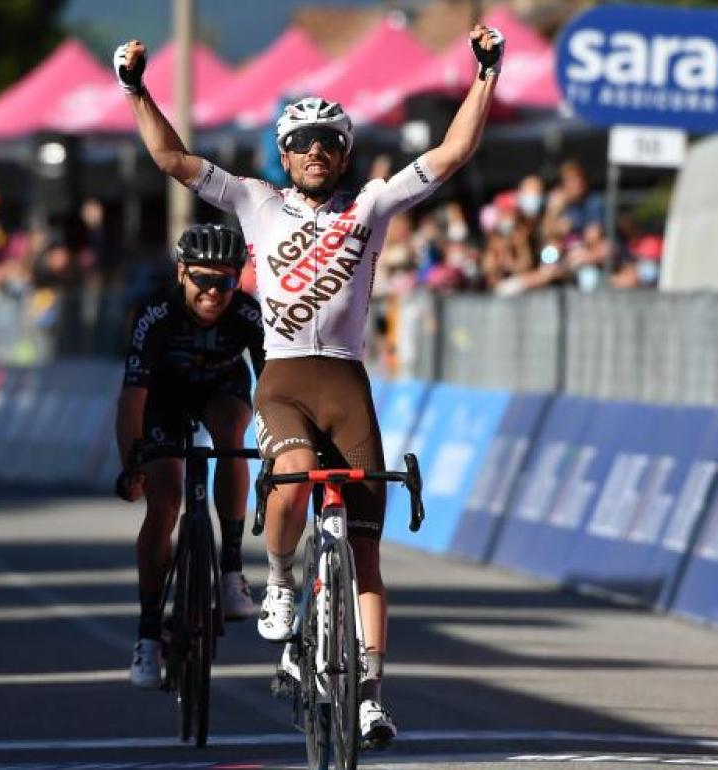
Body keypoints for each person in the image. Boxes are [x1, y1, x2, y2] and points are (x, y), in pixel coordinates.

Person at [114, 22, 505, 748]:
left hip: (349, 383)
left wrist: (486, 75)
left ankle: (370, 697)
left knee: (367, 552)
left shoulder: (372, 206)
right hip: (286, 379)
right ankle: (284, 582)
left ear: (344, 153)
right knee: (289, 480)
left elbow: (452, 155)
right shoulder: (256, 201)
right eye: (302, 143)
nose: (316, 152)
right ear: (284, 155)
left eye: (329, 142)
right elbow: (171, 157)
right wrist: (137, 89)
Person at [115, 224, 265, 689]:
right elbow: (133, 397)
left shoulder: (247, 313)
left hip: (222, 389)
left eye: (225, 281)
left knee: (230, 433)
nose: (213, 292)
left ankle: (233, 570)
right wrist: (131, 464)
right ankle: (147, 635)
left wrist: (281, 444)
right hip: (164, 396)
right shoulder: (155, 315)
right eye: (202, 279)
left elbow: (275, 387)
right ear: (181, 273)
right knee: (163, 504)